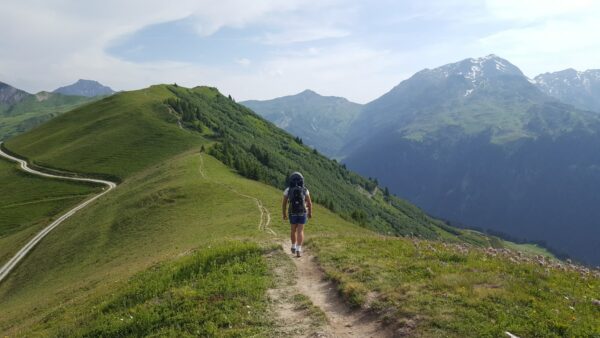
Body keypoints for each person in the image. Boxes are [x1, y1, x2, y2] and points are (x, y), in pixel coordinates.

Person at [282, 172, 312, 257]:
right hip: (302, 212)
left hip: (292, 213)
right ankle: (299, 249)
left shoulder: (288, 190)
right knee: (300, 231)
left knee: (293, 230)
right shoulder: (305, 190)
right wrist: (310, 212)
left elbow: (284, 204)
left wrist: (284, 214)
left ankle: (293, 246)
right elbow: (309, 203)